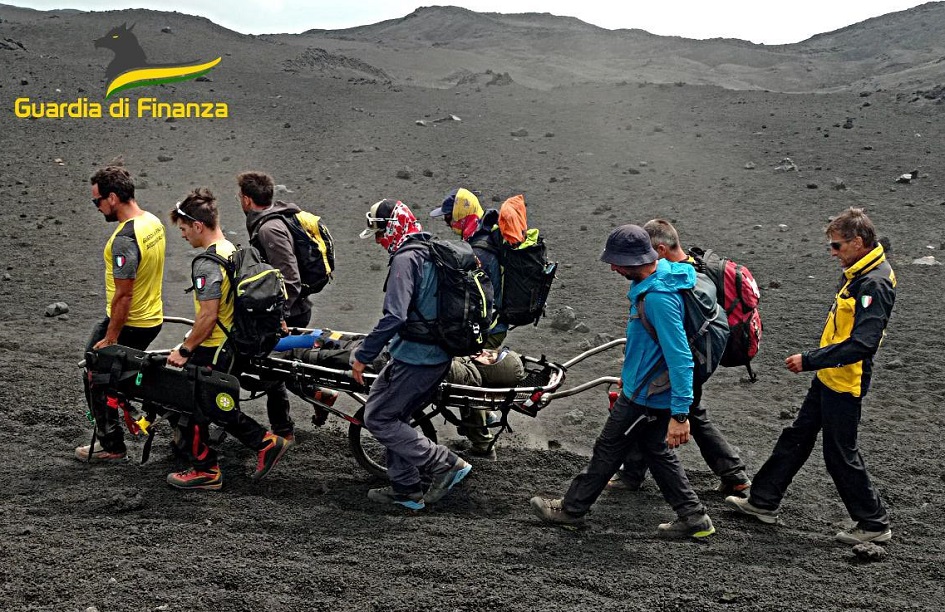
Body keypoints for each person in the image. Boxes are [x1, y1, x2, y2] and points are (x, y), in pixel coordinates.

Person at [530, 224, 716, 539]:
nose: (613, 268)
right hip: (646, 389)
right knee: (657, 452)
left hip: (647, 397)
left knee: (608, 447)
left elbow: (680, 357)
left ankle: (571, 510)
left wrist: (681, 414)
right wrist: (631, 376)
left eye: (617, 262)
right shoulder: (663, 275)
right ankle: (695, 519)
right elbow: (651, 346)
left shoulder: (658, 298)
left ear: (634, 260)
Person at [726, 207, 895, 545]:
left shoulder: (872, 283)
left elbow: (864, 343)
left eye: (836, 245)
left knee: (840, 453)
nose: (832, 253)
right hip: (832, 376)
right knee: (797, 436)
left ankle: (873, 522)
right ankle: (763, 501)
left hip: (845, 381)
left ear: (858, 242)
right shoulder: (861, 271)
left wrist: (810, 360)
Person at [608, 219, 751, 495]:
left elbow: (674, 341)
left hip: (681, 364)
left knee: (652, 410)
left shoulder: (673, 282)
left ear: (660, 250)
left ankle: (635, 476)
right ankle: (733, 474)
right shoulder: (694, 271)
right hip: (697, 359)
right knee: (687, 412)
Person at [351, 198, 473, 511]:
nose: (378, 241)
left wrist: (363, 354)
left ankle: (445, 463)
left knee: (378, 418)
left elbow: (395, 316)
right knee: (395, 416)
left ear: (393, 228)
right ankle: (405, 489)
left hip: (417, 357)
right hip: (435, 354)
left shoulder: (406, 260)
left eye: (380, 233)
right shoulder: (429, 250)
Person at [165, 188, 289, 491]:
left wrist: (185, 349)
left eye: (184, 228)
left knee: (194, 405)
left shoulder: (207, 263)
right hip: (235, 345)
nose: (183, 235)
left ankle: (208, 469)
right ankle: (262, 443)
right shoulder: (231, 249)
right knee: (212, 405)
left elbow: (208, 316)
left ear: (198, 225)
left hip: (215, 347)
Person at [76, 166, 166, 463]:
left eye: (97, 201)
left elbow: (124, 294)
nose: (97, 207)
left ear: (112, 197)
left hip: (129, 321)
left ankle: (111, 445)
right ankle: (129, 412)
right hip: (151, 317)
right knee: (117, 373)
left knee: (96, 372)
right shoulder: (152, 222)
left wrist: (112, 336)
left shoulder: (125, 239)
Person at [236, 171, 329, 443]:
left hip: (290, 311)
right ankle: (317, 396)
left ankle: (284, 431)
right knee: (282, 367)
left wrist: (278, 317)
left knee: (272, 369)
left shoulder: (269, 229)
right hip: (289, 309)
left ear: (247, 199)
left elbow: (290, 279)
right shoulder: (270, 221)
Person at [430, 187, 504, 459]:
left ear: (463, 214)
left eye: (450, 217)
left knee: (465, 377)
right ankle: (484, 419)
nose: (447, 223)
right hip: (496, 324)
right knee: (469, 376)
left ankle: (482, 445)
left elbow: (478, 297)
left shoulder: (480, 251)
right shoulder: (485, 237)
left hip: (488, 327)